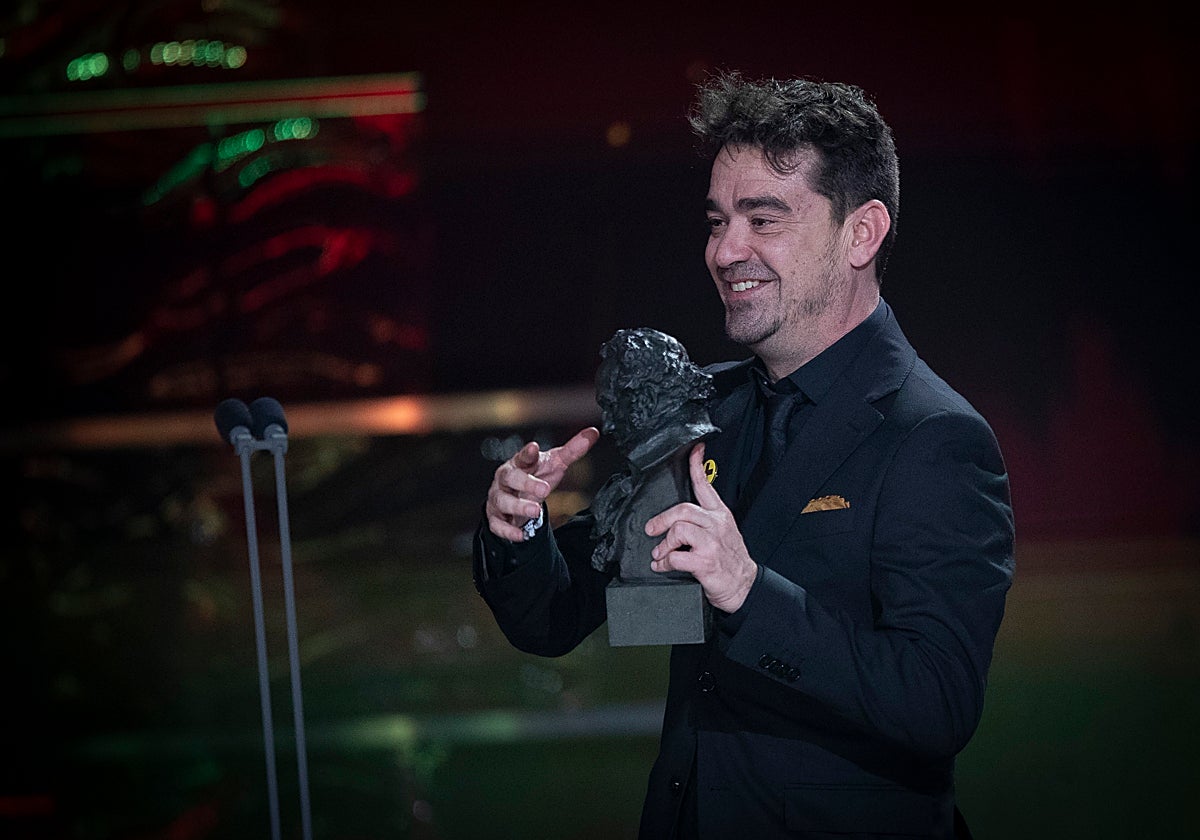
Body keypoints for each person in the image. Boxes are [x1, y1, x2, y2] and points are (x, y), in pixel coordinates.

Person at [473, 70, 1015, 839]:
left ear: (861, 233)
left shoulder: (935, 439)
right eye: (718, 219)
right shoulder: (702, 412)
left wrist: (748, 591)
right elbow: (554, 620)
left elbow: (936, 704)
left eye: (764, 219)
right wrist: (518, 529)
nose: (727, 250)